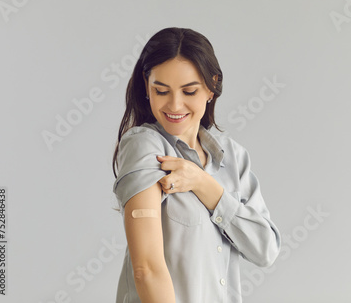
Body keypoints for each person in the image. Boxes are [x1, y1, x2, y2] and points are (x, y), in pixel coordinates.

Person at [111, 27, 281, 303]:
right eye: (161, 91)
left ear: (212, 87)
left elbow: (265, 250)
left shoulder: (232, 157)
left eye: (189, 91)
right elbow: (147, 269)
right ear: (146, 87)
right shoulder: (146, 147)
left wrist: (204, 185)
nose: (175, 105)